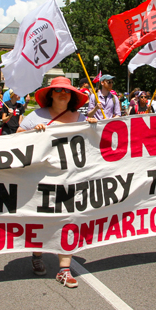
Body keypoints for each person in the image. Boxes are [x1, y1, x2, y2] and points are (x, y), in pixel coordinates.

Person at [18, 77, 97, 287]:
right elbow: (16, 139)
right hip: (41, 179)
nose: (63, 93)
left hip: (71, 180)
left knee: (69, 221)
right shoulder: (36, 116)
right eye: (59, 90)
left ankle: (64, 270)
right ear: (50, 94)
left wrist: (92, 128)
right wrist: (33, 133)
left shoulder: (80, 118)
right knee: (41, 220)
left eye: (67, 91)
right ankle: (37, 255)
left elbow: (93, 147)